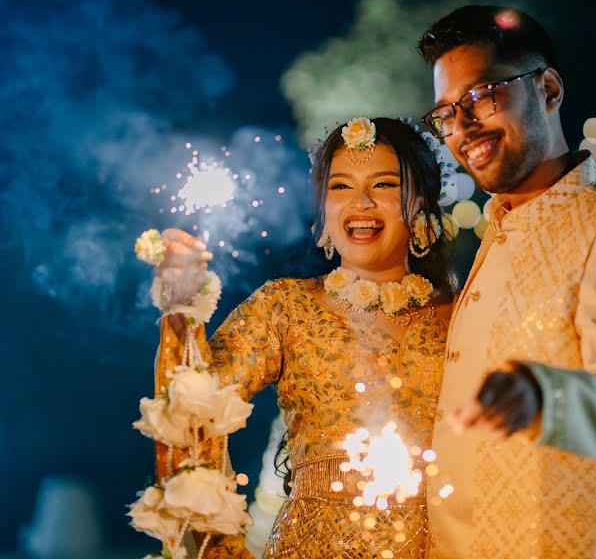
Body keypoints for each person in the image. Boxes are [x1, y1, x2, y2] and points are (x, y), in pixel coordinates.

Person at [418, 5, 596, 558]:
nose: (463, 128)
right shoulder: (497, 229)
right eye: (445, 114)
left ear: (550, 89)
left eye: (482, 96)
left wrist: (544, 396)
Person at [154, 117, 455, 558]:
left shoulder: (463, 314)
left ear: (421, 204)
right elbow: (189, 409)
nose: (362, 203)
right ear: (323, 208)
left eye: (385, 185)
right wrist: (181, 309)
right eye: (340, 187)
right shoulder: (286, 307)